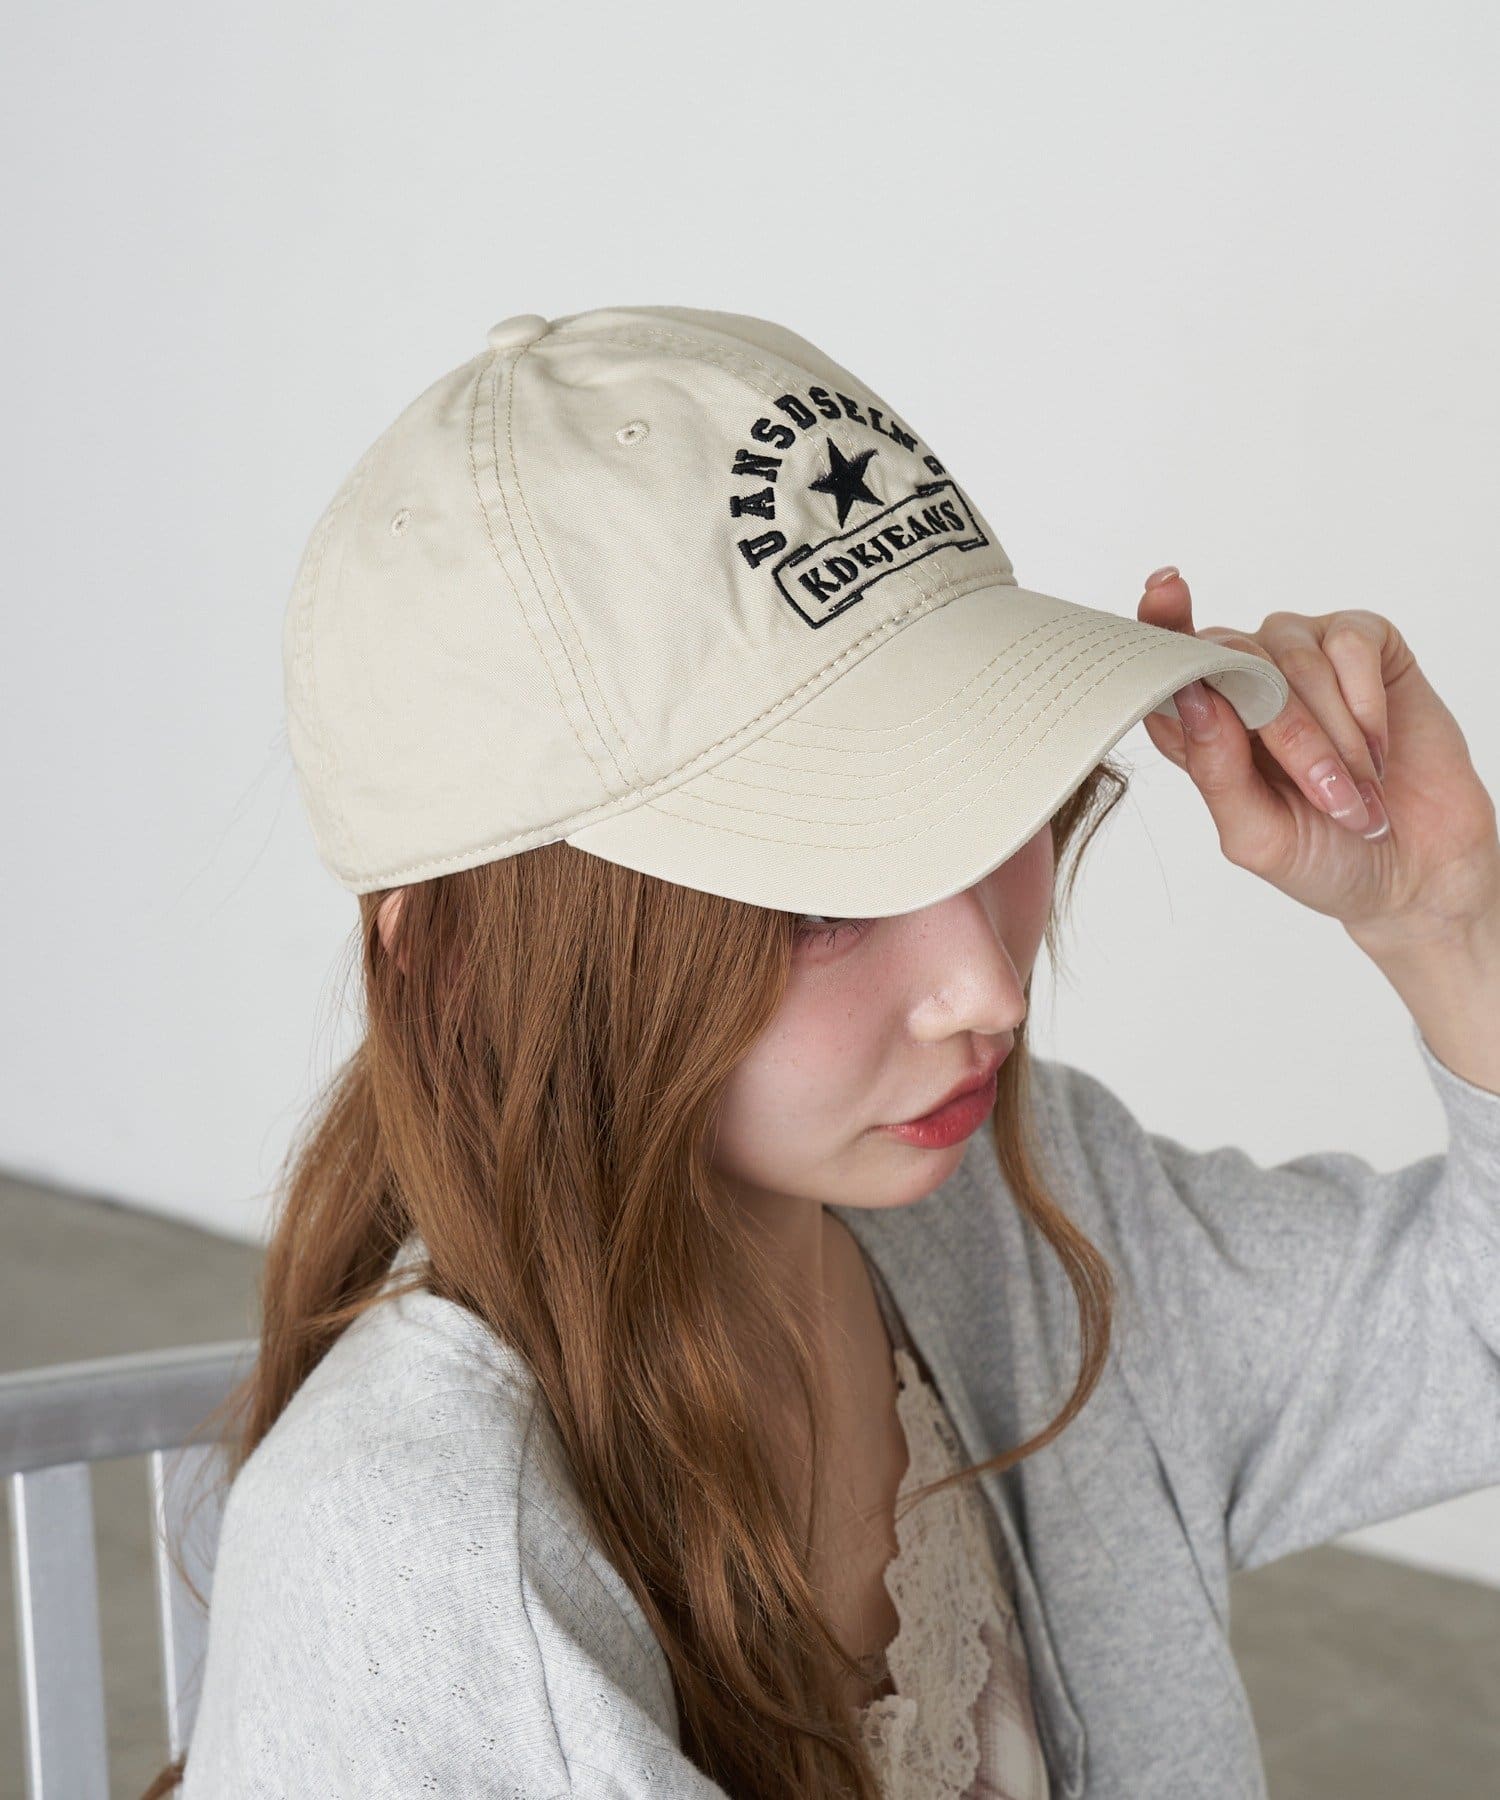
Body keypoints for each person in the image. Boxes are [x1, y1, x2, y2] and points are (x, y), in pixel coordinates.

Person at [147, 306, 1500, 1800]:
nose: (986, 989)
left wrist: (1449, 920)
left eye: (993, 804)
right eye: (819, 899)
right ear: (459, 963)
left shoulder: (1024, 1222)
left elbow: (1472, 1339)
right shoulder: (417, 1571)